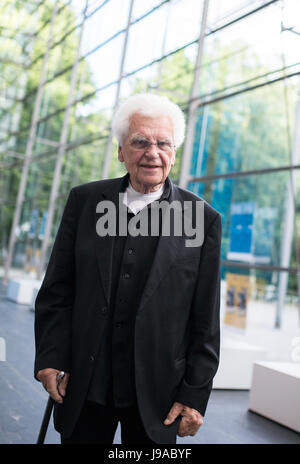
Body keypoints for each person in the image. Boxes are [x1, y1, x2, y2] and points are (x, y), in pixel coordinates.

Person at [34, 93, 222, 444]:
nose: (153, 152)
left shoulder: (202, 219)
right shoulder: (85, 202)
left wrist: (194, 397)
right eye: (140, 142)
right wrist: (49, 359)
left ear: (174, 152)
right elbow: (58, 291)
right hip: (83, 384)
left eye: (163, 143)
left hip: (159, 396)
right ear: (121, 151)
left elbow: (205, 320)